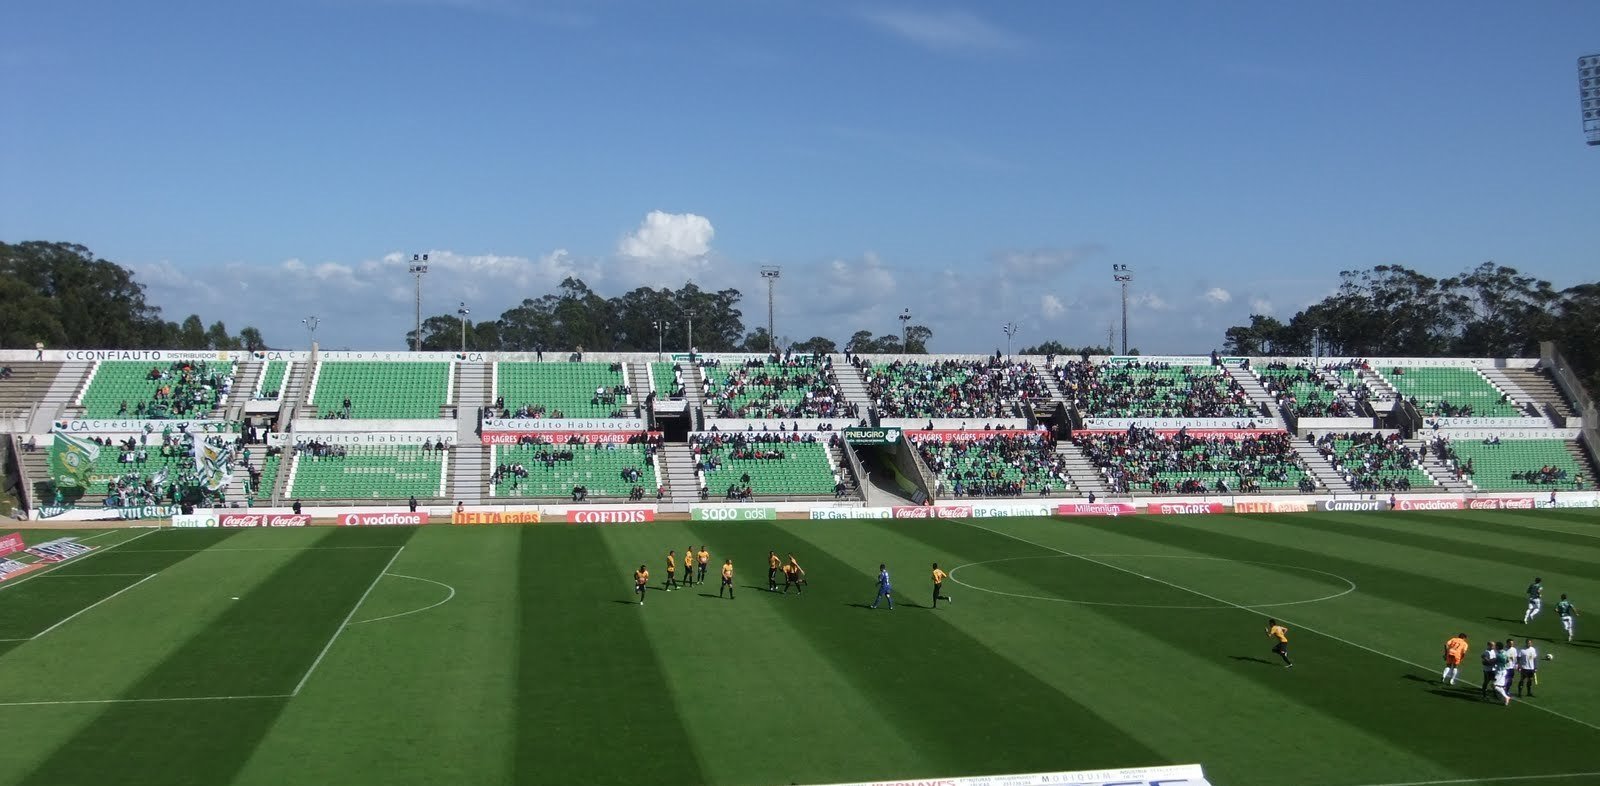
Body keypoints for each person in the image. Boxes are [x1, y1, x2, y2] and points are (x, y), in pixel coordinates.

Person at [1491, 641, 1512, 706]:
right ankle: (1505, 697)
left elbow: (1493, 662)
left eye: (1495, 646)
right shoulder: (1505, 652)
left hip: (1500, 672)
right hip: (1504, 670)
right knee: (1499, 686)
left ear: (1497, 647)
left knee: (1494, 685)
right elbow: (1508, 660)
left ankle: (1506, 697)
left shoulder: (1499, 655)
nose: (1494, 647)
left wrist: (1485, 659)